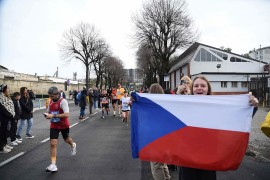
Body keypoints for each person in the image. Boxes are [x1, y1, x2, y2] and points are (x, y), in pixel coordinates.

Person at [178, 76, 259, 180]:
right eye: (196, 85)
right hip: (187, 161)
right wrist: (177, 98)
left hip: (208, 160)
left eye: (203, 85)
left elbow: (236, 120)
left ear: (208, 89)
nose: (199, 88)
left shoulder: (217, 108)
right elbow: (170, 120)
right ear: (192, 89)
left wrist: (252, 106)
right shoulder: (184, 105)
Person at [43, 86, 77, 172]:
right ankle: (53, 164)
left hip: (63, 125)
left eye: (53, 96)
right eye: (50, 96)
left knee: (66, 140)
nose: (51, 98)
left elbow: (66, 114)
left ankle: (73, 145)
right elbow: (49, 113)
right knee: (53, 143)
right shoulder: (50, 102)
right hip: (54, 125)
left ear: (57, 94)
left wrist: (53, 115)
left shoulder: (63, 101)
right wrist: (47, 115)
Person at [148, 83, 171, 180]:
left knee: (156, 165)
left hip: (156, 139)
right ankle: (167, 178)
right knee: (162, 163)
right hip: (166, 137)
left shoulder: (151, 105)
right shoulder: (167, 103)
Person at [0, 84, 15, 153]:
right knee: (2, 132)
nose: (8, 89)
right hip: (3, 117)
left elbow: (9, 106)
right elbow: (3, 108)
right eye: (7, 88)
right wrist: (9, 114)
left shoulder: (6, 96)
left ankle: (5, 144)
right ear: (4, 89)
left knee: (5, 131)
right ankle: (1, 147)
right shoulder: (1, 97)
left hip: (7, 117)